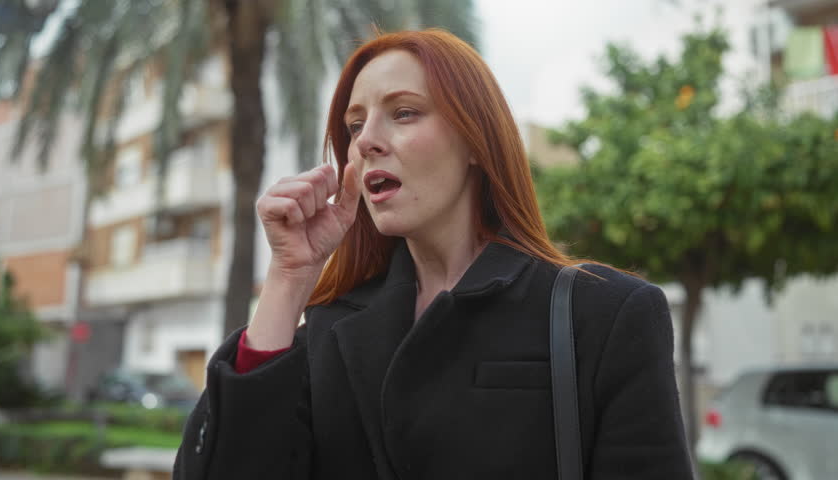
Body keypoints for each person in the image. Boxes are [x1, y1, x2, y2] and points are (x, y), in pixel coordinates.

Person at [173, 29, 694, 479]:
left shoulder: (606, 315)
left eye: (403, 113)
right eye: (355, 125)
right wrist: (289, 279)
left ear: (475, 141)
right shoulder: (331, 331)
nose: (367, 140)